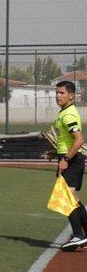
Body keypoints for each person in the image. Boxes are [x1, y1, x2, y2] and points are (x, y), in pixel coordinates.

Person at [53, 81, 87, 251]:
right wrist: (57, 153)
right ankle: (85, 235)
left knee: (66, 198)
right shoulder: (65, 112)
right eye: (57, 93)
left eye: (61, 93)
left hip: (72, 160)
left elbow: (79, 140)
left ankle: (78, 235)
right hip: (70, 158)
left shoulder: (68, 115)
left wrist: (65, 158)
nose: (58, 96)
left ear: (71, 95)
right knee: (73, 198)